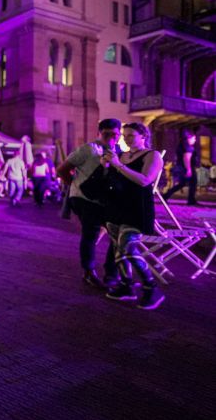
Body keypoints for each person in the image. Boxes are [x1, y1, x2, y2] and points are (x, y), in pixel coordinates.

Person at [101, 122, 164, 310]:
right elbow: (112, 179)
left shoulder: (153, 155)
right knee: (118, 251)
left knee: (128, 248)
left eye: (131, 135)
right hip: (116, 208)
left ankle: (151, 288)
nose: (126, 138)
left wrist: (118, 165)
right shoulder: (122, 155)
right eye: (124, 135)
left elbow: (144, 181)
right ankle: (126, 286)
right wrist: (105, 165)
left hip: (137, 209)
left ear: (143, 136)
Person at [57, 118, 120, 289]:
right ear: (98, 133)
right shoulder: (88, 149)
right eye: (106, 134)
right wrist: (75, 186)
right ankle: (88, 272)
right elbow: (62, 169)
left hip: (104, 200)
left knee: (116, 233)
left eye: (115, 134)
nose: (111, 138)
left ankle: (112, 273)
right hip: (84, 199)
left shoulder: (118, 152)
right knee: (90, 233)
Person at [163, 128, 199, 205]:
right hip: (187, 167)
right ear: (189, 138)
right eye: (194, 138)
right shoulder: (187, 146)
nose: (195, 140)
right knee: (193, 183)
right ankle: (191, 200)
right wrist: (188, 169)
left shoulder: (181, 144)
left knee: (182, 184)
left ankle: (166, 195)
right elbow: (186, 157)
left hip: (182, 167)